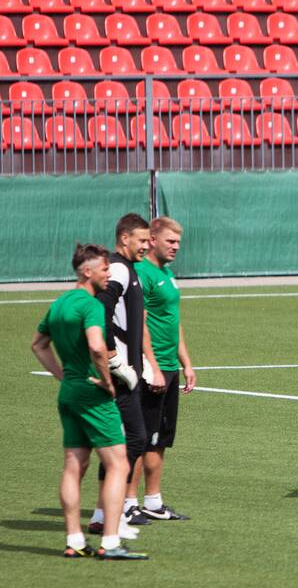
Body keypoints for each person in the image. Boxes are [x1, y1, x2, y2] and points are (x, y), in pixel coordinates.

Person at [31, 243, 147, 560]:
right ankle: (110, 542)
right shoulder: (91, 305)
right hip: (91, 393)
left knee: (74, 464)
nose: (109, 273)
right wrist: (108, 381)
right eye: (104, 269)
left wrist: (62, 376)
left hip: (69, 391)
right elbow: (98, 347)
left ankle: (75, 540)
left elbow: (39, 345)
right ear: (87, 272)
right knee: (118, 463)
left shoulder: (59, 303)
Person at [88, 213, 165, 535]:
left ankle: (102, 516)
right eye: (143, 240)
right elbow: (101, 311)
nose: (147, 246)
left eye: (149, 240)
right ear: (125, 239)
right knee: (131, 440)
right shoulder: (118, 268)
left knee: (126, 442)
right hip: (120, 375)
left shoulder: (129, 268)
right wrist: (114, 361)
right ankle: (111, 517)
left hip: (129, 370)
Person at [134, 216, 196, 521]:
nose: (175, 247)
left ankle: (153, 502)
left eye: (178, 243)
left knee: (160, 439)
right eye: (170, 241)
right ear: (153, 240)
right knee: (140, 438)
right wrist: (153, 366)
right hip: (150, 367)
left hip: (170, 366)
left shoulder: (168, 275)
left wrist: (186, 362)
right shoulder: (141, 273)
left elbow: (174, 319)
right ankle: (128, 503)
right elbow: (140, 323)